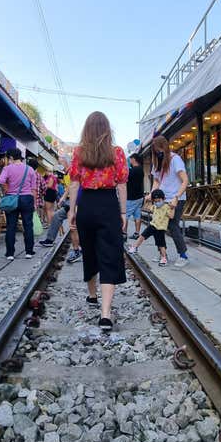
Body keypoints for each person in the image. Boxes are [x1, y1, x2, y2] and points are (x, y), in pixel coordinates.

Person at [67, 111, 128, 332]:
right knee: (110, 255)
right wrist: (123, 213)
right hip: (108, 205)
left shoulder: (79, 153)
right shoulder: (117, 153)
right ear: (106, 128)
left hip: (87, 205)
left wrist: (72, 210)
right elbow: (121, 184)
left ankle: (92, 295)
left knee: (90, 250)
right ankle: (105, 314)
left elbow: (74, 183)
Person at [149, 136, 189, 267]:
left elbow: (185, 181)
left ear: (164, 147)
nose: (158, 153)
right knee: (157, 226)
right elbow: (156, 180)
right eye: (155, 151)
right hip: (161, 199)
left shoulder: (175, 159)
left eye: (159, 150)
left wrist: (176, 197)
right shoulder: (156, 162)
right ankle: (162, 254)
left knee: (172, 225)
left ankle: (183, 255)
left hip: (175, 198)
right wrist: (151, 194)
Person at [0, 148, 36, 260]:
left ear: (11, 158)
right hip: (27, 198)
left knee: (11, 226)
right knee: (28, 225)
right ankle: (29, 251)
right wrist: (34, 203)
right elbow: (33, 188)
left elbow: (1, 181)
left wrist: (7, 189)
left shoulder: (7, 168)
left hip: (11, 198)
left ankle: (10, 253)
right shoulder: (30, 169)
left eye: (8, 158)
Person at [128, 189, 176, 266]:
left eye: (159, 200)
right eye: (155, 201)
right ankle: (135, 247)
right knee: (142, 235)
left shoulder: (167, 206)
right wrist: (147, 200)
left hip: (160, 228)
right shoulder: (154, 206)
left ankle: (164, 258)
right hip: (152, 225)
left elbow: (171, 216)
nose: (157, 203)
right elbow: (147, 208)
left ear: (163, 199)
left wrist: (173, 208)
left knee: (161, 244)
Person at [126, 153, 145, 239]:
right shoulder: (141, 169)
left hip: (131, 197)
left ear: (134, 159)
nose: (129, 161)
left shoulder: (132, 170)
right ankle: (137, 233)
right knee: (137, 215)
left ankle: (123, 233)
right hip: (140, 196)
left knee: (125, 215)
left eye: (130, 159)